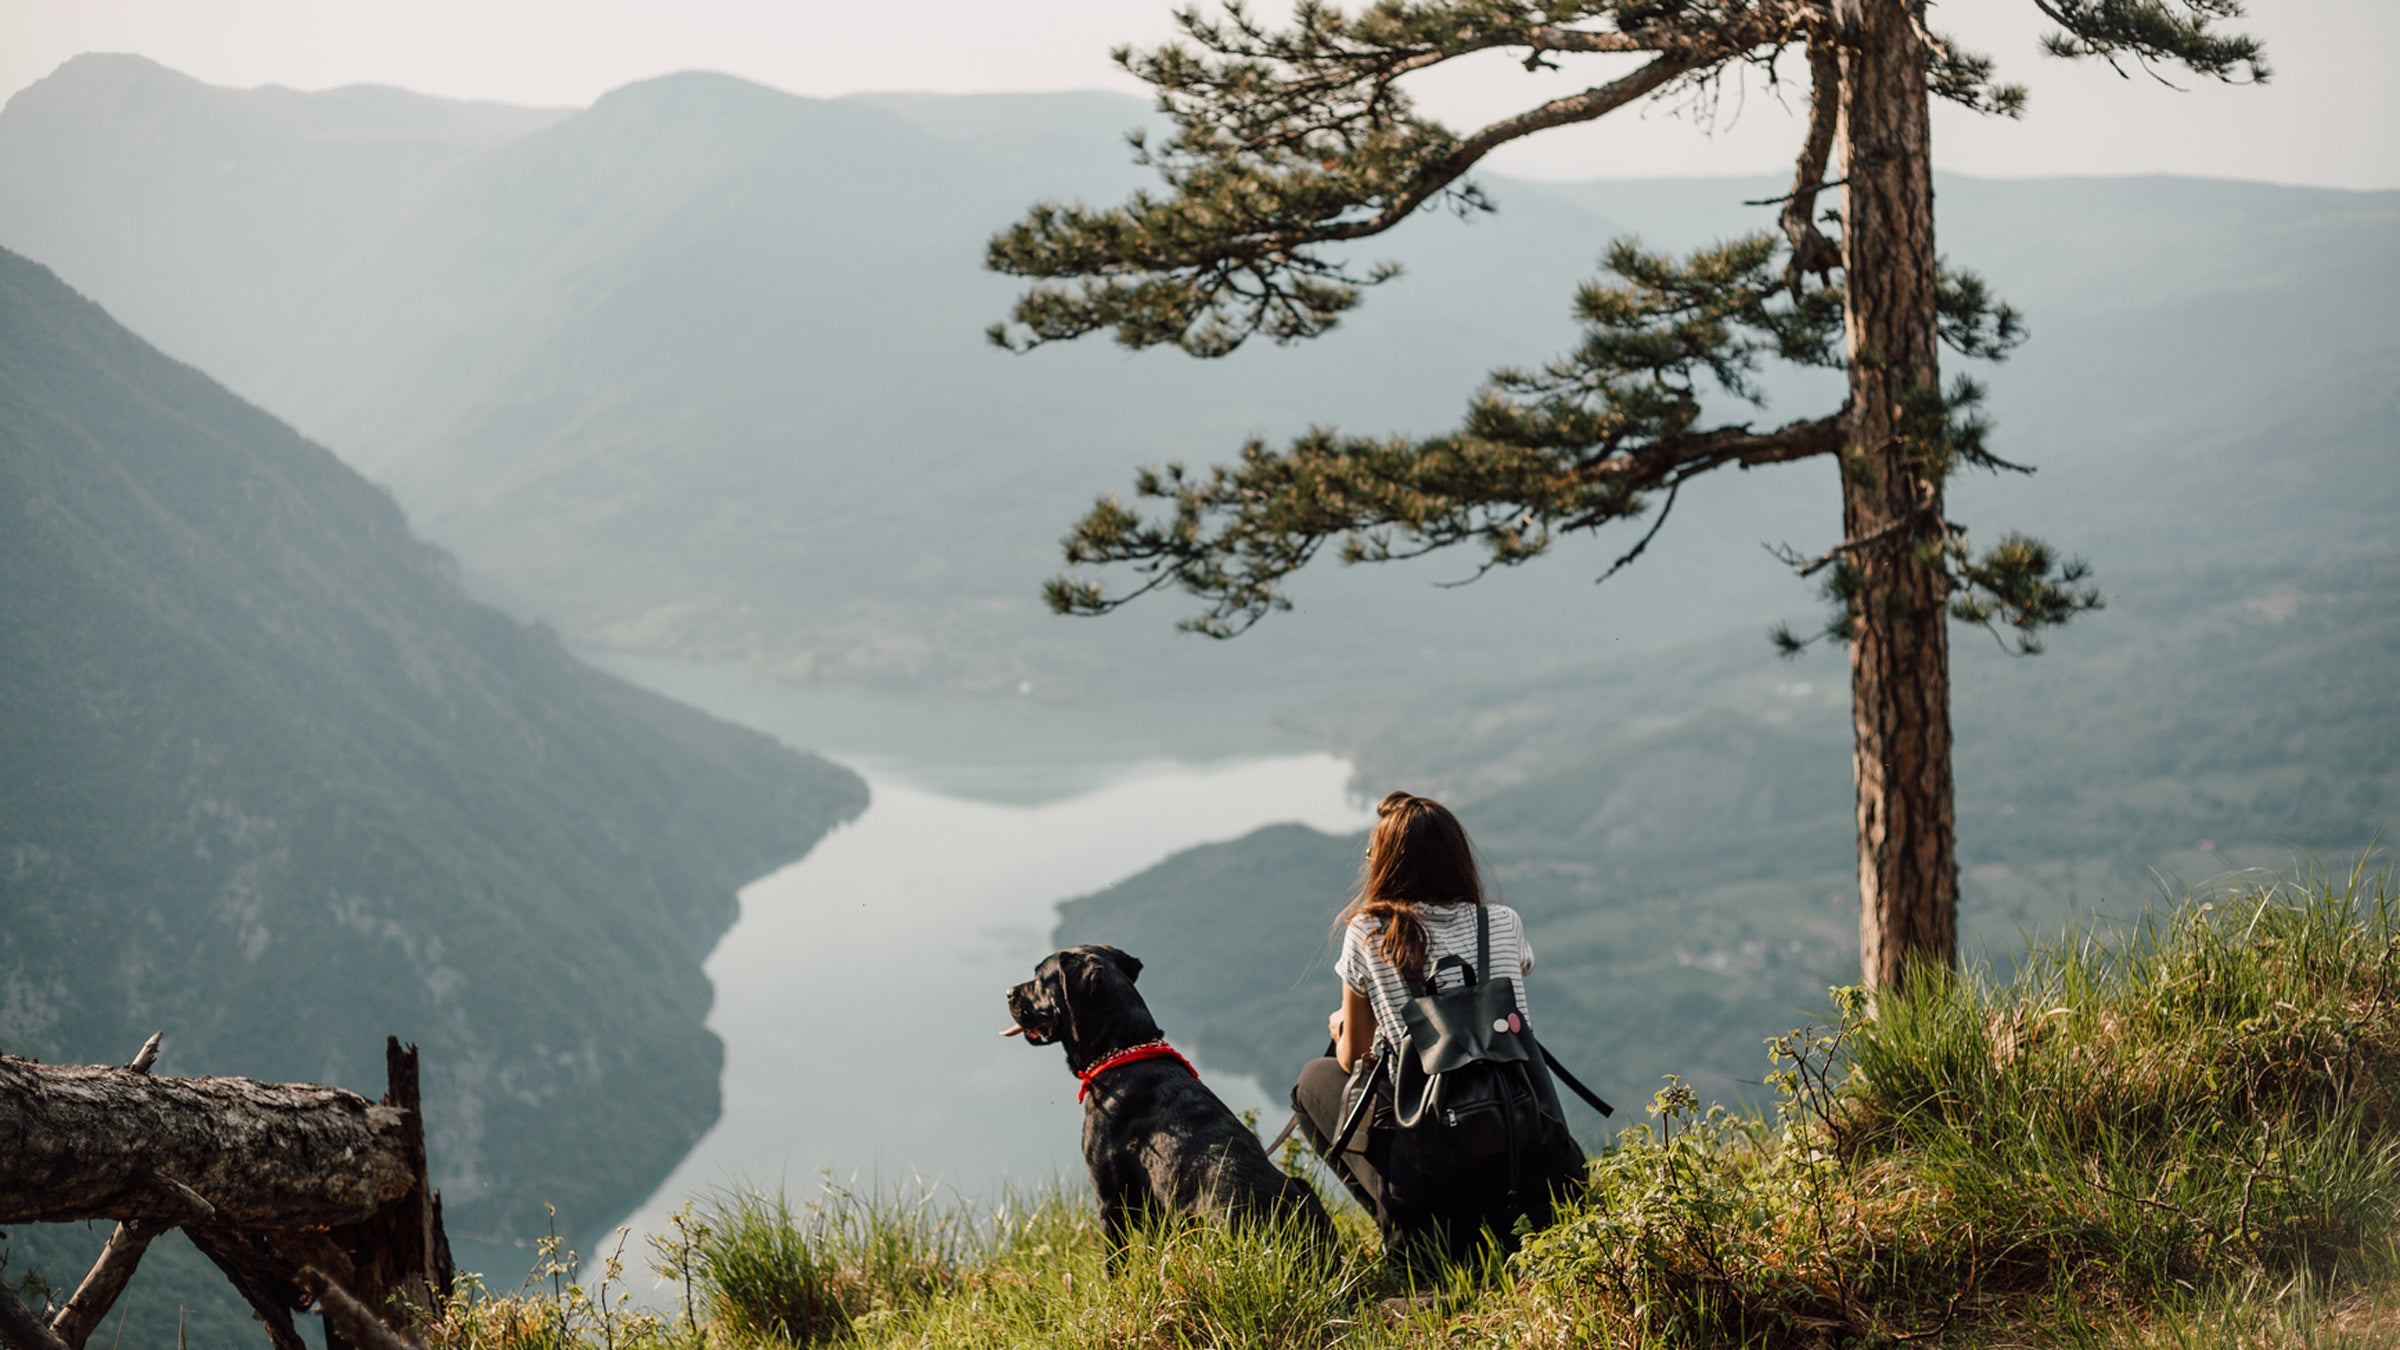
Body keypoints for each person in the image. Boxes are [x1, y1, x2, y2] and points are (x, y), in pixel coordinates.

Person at [1290, 790, 1581, 1257]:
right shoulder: (1502, 923)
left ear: (1385, 863)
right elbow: (1510, 979)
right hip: (1525, 1145)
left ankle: (1413, 1229)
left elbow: (1355, 1055)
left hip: (1430, 1151)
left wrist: (1342, 1024)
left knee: (1313, 1081)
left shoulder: (1368, 932)